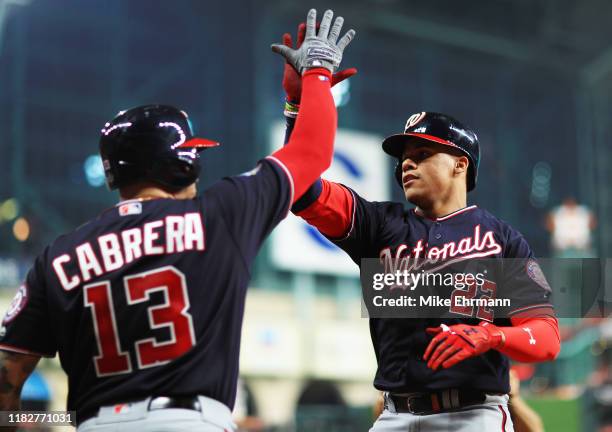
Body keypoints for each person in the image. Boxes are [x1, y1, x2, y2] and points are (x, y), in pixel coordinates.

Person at [0, 8, 355, 432]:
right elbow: (311, 153)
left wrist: (46, 421)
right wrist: (312, 80)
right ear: (180, 165)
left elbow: (8, 373)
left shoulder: (58, 256)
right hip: (189, 421)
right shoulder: (219, 215)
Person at [277, 39, 560, 429]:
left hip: (473, 415)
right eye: (404, 157)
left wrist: (493, 337)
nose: (407, 162)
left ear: (461, 164)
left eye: (423, 154)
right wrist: (298, 106)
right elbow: (302, 189)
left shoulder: (502, 238)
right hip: (395, 415)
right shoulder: (379, 226)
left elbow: (546, 339)